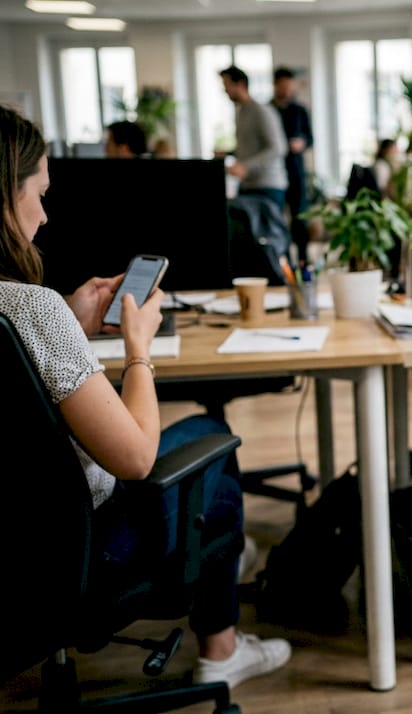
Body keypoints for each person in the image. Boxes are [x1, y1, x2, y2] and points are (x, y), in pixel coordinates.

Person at [0, 105, 291, 689]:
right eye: (40, 194)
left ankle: (225, 564)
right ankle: (222, 647)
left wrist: (70, 324)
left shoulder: (23, 311)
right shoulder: (32, 308)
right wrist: (138, 347)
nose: (46, 215)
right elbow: (134, 458)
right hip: (81, 547)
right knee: (218, 464)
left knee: (208, 442)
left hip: (16, 544)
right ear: (6, 195)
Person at [220, 65, 288, 210]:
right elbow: (249, 147)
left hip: (268, 187)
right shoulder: (240, 112)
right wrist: (228, 153)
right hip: (247, 185)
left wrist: (245, 166)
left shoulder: (262, 111)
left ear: (240, 84)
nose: (224, 90)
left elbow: (278, 148)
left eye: (226, 85)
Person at [270, 66, 314, 256]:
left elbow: (310, 139)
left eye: (289, 85)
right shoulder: (269, 110)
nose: (287, 89)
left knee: (300, 216)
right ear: (275, 85)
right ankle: (284, 259)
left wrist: (301, 143)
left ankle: (303, 259)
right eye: (283, 85)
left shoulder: (299, 110)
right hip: (275, 171)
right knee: (278, 218)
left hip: (296, 170)